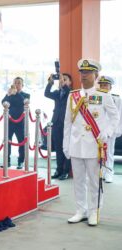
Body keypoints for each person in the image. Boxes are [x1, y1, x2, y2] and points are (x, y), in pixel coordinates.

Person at [63, 59, 119, 226]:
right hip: (76, 145)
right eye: (82, 72)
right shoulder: (73, 95)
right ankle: (81, 210)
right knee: (78, 180)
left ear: (96, 75)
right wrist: (66, 145)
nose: (84, 75)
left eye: (88, 72)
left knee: (94, 181)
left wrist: (107, 133)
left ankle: (94, 211)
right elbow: (67, 122)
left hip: (94, 145)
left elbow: (115, 117)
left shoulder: (103, 95)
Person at [45, 73, 72, 180]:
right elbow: (46, 93)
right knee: (58, 148)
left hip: (67, 124)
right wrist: (50, 82)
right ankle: (58, 169)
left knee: (67, 148)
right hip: (56, 123)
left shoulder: (72, 93)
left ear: (70, 82)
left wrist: (63, 84)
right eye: (61, 79)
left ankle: (66, 171)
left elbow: (68, 91)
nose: (62, 81)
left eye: (65, 79)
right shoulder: (57, 92)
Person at [96, 75, 122, 183]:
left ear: (110, 87)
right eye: (101, 85)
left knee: (109, 153)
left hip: (110, 131)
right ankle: (100, 172)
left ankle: (109, 173)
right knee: (97, 153)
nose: (103, 87)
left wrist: (116, 131)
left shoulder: (116, 99)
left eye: (105, 85)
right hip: (97, 131)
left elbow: (119, 116)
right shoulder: (96, 98)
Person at [1, 77, 30, 169]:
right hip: (9, 122)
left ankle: (20, 162)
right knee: (7, 141)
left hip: (20, 122)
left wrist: (16, 93)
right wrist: (8, 94)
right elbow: (3, 102)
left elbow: (24, 102)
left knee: (21, 142)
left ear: (22, 85)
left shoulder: (26, 95)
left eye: (19, 83)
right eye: (15, 83)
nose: (17, 85)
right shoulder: (10, 94)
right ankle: (7, 161)